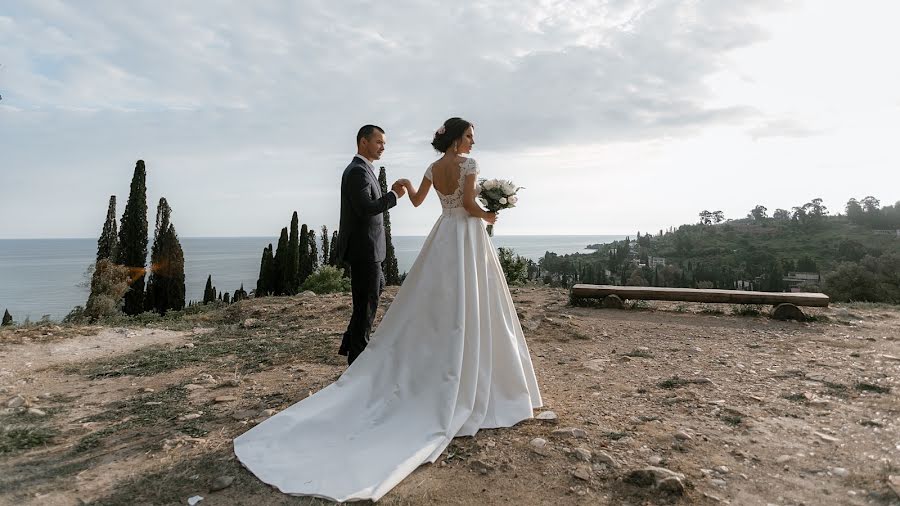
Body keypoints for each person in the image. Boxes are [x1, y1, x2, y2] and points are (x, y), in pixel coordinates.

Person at [234, 118, 542, 502]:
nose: (472, 142)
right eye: (469, 136)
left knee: (435, 301)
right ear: (456, 139)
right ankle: (466, 365)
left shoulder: (433, 168)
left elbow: (416, 200)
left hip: (443, 234)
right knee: (472, 296)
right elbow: (466, 204)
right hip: (465, 234)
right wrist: (488, 213)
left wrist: (407, 187)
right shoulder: (469, 166)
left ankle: (421, 355)